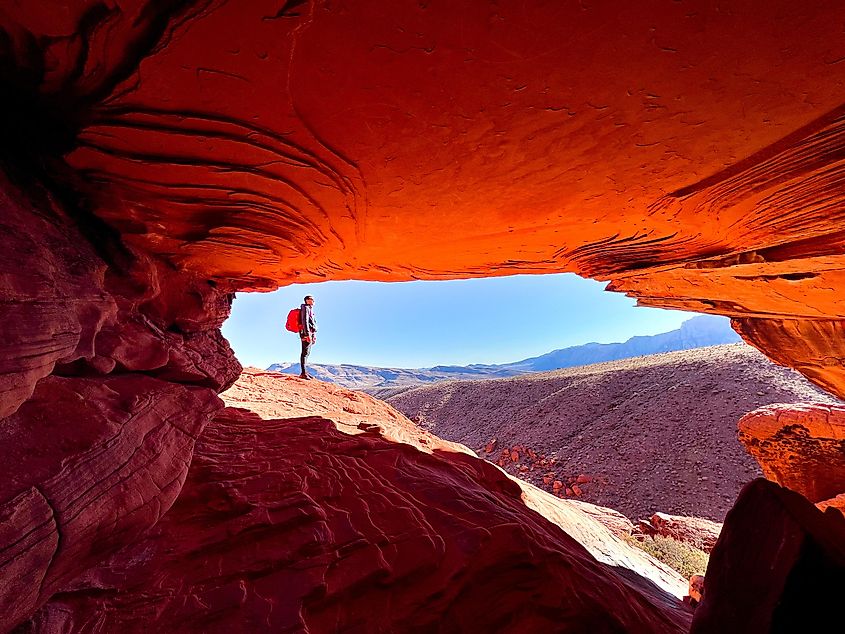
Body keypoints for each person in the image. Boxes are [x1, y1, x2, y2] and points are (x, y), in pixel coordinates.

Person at [298, 295, 317, 379]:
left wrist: (313, 335)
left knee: (307, 353)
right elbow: (304, 321)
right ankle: (303, 373)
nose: (313, 301)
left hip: (310, 333)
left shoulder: (310, 309)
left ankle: (305, 372)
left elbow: (312, 323)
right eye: (312, 299)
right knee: (304, 353)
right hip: (306, 333)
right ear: (307, 300)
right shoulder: (305, 308)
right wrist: (307, 334)